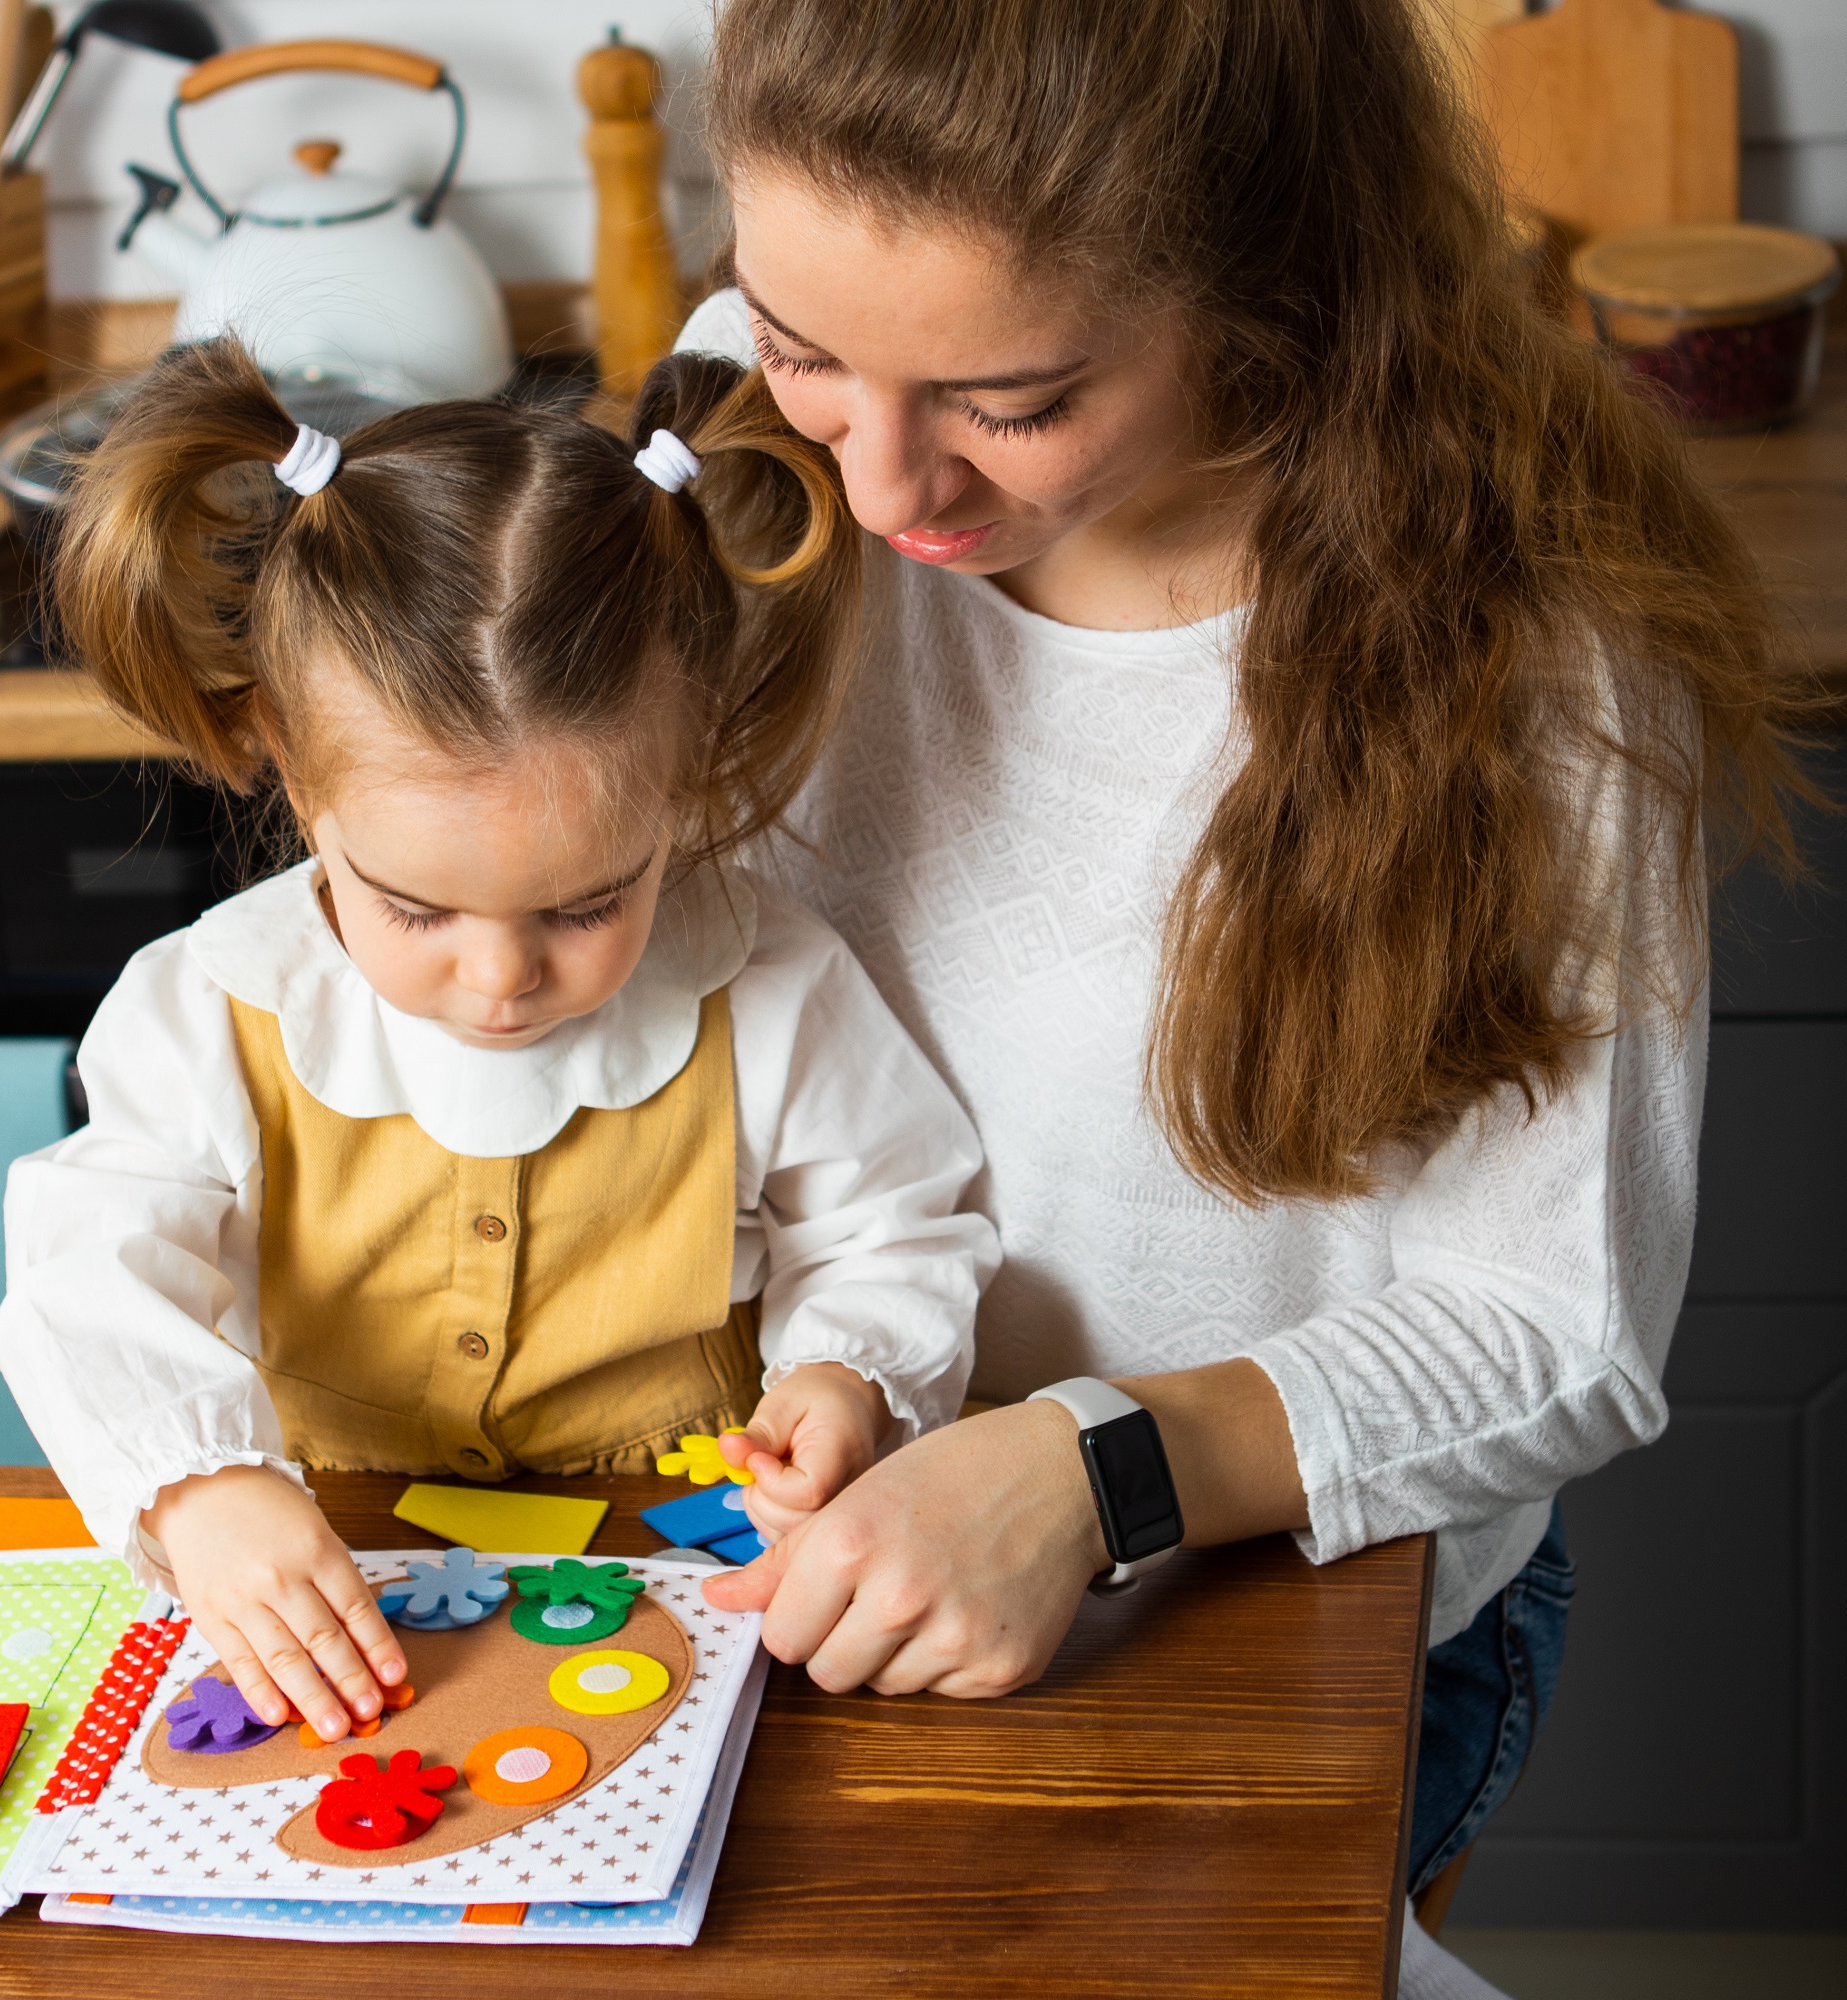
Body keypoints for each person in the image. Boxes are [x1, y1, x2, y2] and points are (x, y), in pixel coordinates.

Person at [681, 0, 1809, 1930]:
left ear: (1271, 285)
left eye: (1015, 405)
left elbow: (1555, 1329)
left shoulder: (1528, 658)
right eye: (802, 349)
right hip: (785, 1544)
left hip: (1268, 1603)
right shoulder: (735, 436)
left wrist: (1091, 1471)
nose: (880, 488)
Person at [0, 338, 997, 1748]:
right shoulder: (208, 1005)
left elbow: (894, 1226)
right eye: (414, 904)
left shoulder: (769, 982)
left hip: (687, 1571)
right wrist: (200, 1491)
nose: (503, 977)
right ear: (287, 756)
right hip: (334, 1574)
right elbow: (84, 1277)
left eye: (591, 901)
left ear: (688, 766)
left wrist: (845, 1377)